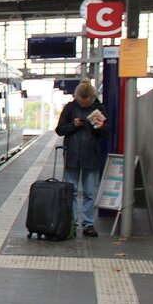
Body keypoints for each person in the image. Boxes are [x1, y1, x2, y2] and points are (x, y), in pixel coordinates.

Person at [55, 80, 107, 237]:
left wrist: (99, 126)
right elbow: (59, 130)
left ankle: (88, 224)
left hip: (91, 156)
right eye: (80, 102)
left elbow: (105, 133)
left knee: (89, 192)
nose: (83, 105)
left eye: (86, 102)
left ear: (91, 98)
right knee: (72, 191)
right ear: (77, 97)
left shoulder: (98, 108)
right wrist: (73, 124)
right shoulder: (70, 108)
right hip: (72, 156)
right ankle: (71, 222)